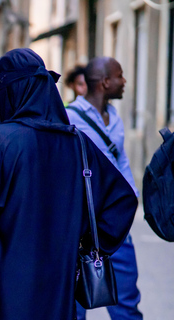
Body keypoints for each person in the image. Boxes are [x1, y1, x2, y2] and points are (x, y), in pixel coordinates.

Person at [0, 48, 138, 319]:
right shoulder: (77, 143)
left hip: (1, 284)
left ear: (14, 92)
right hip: (58, 285)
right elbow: (122, 200)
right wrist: (84, 246)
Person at [66, 57, 143, 320]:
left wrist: (130, 200)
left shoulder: (115, 118)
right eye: (120, 76)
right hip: (80, 228)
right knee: (73, 303)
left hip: (113, 224)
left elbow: (121, 162)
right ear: (105, 82)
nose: (124, 82)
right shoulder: (70, 117)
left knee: (127, 301)